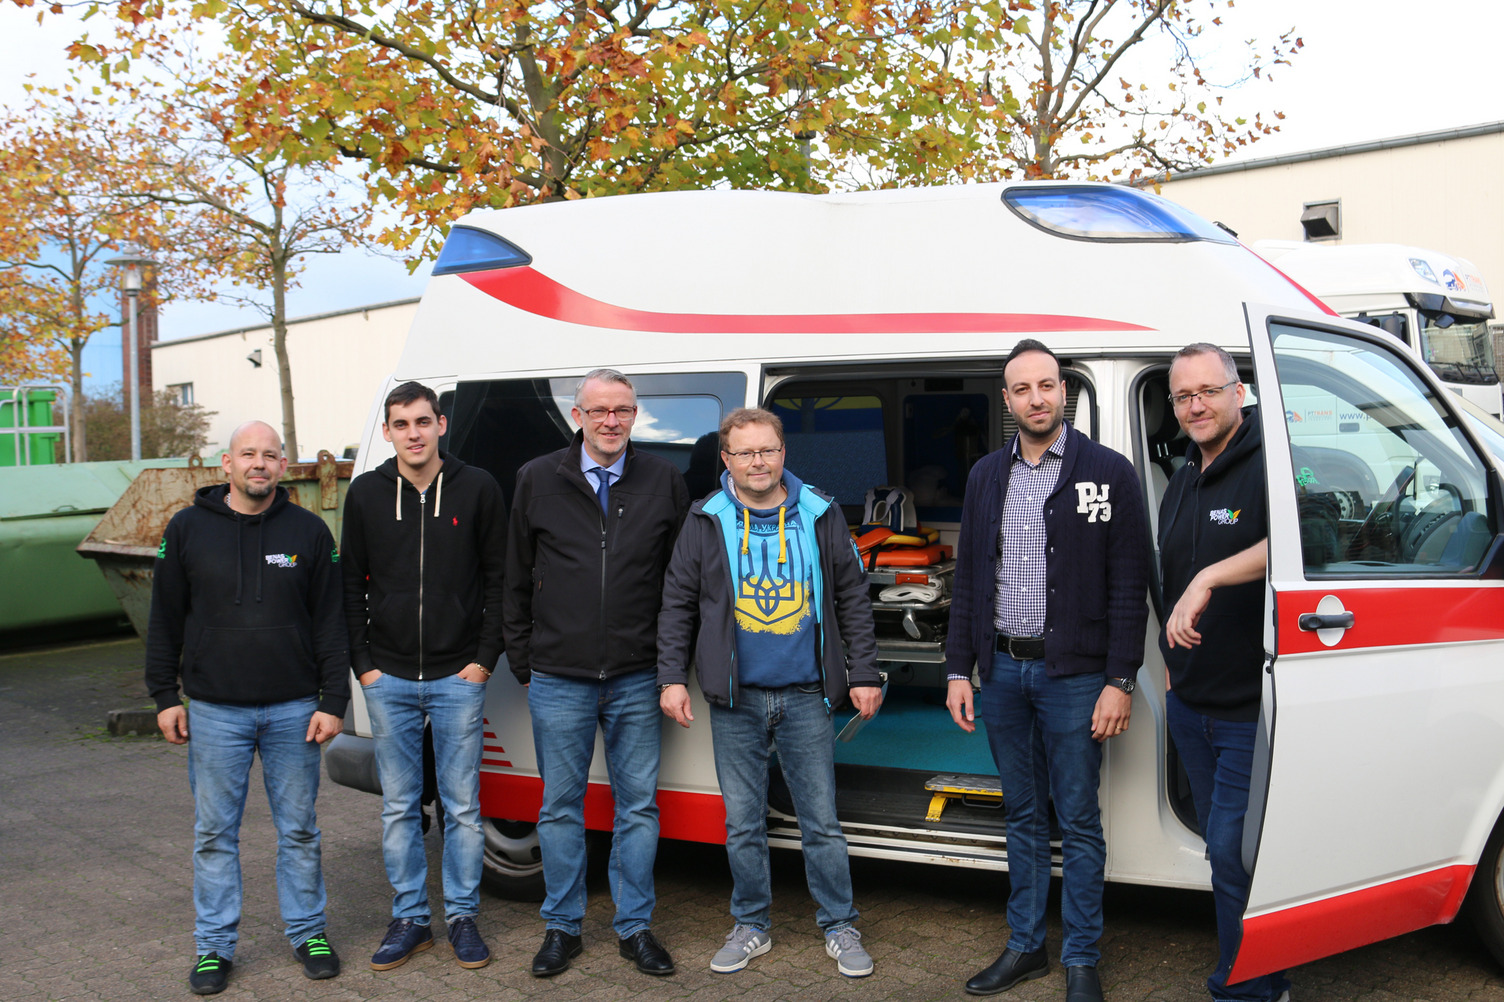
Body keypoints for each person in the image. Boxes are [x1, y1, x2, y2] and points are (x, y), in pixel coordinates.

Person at [944, 340, 1149, 1002]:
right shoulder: (984, 477)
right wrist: (956, 669)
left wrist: (1120, 679)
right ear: (1005, 401)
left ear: (1065, 392)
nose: (1036, 397)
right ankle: (1027, 947)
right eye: (1022, 389)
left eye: (1047, 385)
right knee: (1023, 814)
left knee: (1080, 818)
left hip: (1077, 680)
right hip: (1003, 673)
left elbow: (1129, 582)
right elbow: (971, 577)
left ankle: (1082, 957)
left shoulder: (1108, 472)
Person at [658, 406, 884, 979]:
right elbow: (678, 604)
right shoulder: (705, 517)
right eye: (745, 453)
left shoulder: (820, 512)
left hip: (808, 694)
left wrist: (862, 673)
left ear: (783, 453)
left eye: (768, 450)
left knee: (821, 821)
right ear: (727, 460)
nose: (758, 462)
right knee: (742, 822)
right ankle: (752, 924)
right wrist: (670, 678)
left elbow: (853, 598)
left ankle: (839, 925)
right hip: (735, 699)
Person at [146, 420, 349, 996]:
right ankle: (214, 948)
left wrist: (332, 700)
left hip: (294, 710)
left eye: (270, 455)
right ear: (227, 465)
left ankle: (309, 934)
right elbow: (163, 619)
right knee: (214, 833)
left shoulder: (309, 533)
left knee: (300, 831)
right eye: (247, 454)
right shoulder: (185, 530)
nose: (259, 463)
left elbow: (332, 623)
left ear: (283, 466)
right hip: (214, 711)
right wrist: (165, 696)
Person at [503, 368, 689, 978]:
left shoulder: (664, 479)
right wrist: (525, 659)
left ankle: (634, 928)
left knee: (638, 807)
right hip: (559, 675)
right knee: (560, 807)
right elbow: (514, 575)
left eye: (624, 410)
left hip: (638, 676)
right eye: (599, 410)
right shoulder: (537, 478)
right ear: (576, 416)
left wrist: (671, 667)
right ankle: (562, 928)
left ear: (636, 416)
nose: (612, 421)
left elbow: (679, 583)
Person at [340, 381, 508, 972]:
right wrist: (364, 666)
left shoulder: (478, 487)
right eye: (400, 423)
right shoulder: (364, 494)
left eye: (422, 421)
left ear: (441, 424)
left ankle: (462, 918)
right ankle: (411, 918)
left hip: (458, 676)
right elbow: (349, 585)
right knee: (399, 807)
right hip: (387, 679)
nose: (413, 433)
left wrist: (483, 660)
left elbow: (500, 580)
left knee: (463, 806)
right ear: (386, 432)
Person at [1158, 343, 1289, 1002]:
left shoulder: (1270, 461)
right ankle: (1262, 973)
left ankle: (1247, 989)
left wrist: (1213, 573)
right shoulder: (1184, 476)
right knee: (1224, 851)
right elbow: (1169, 581)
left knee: (1237, 854)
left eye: (1209, 391)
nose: (1196, 405)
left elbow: (1293, 544)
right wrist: (1169, 666)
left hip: (1247, 705)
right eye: (1184, 396)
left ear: (1239, 392)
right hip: (1192, 704)